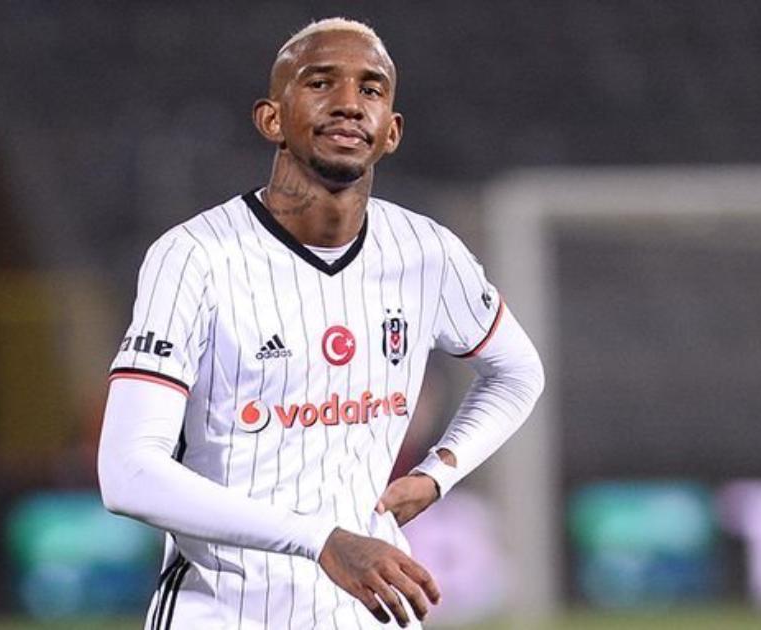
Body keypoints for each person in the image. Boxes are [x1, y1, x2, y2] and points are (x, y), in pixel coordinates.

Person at [98, 17, 544, 630]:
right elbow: (127, 472)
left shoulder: (427, 252)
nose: (349, 103)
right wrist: (322, 540)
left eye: (370, 88)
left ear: (391, 130)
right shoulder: (195, 257)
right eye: (320, 83)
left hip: (368, 612)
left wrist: (438, 473)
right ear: (271, 119)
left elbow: (518, 373)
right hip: (222, 613)